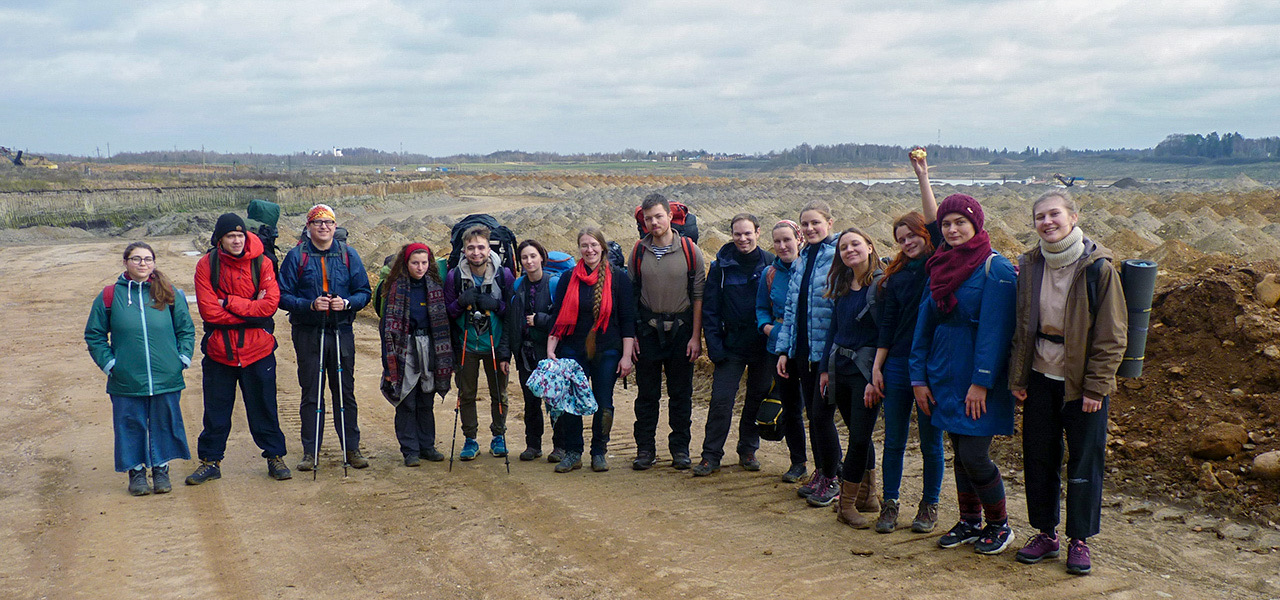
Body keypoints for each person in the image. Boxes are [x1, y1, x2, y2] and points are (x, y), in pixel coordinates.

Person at [1008, 189, 1127, 576]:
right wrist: (1019, 375)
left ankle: (1080, 540)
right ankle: (1045, 533)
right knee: (1039, 457)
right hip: (1041, 377)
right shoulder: (1030, 264)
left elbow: (1112, 334)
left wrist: (1096, 387)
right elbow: (1023, 325)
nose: (1047, 222)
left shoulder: (1098, 267)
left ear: (1073, 218)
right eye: (1039, 217)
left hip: (1082, 385)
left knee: (1084, 461)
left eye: (1054, 214)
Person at [910, 193, 1018, 555]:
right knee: (959, 452)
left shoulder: (995, 268)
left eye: (960, 222)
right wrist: (919, 378)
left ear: (976, 224)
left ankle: (999, 525)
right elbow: (924, 325)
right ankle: (970, 521)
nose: (953, 229)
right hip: (944, 373)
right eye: (946, 224)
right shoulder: (940, 265)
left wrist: (981, 383)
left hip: (976, 379)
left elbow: (996, 332)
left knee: (974, 455)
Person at [867, 150, 945, 533]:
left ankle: (929, 505)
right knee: (895, 439)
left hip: (932, 364)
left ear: (925, 234)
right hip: (898, 364)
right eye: (901, 239)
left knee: (932, 441)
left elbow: (935, 217)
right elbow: (888, 325)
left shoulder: (939, 265)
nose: (907, 242)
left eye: (912, 235)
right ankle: (891, 503)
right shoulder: (894, 277)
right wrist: (877, 367)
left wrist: (922, 176)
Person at [187, 213, 291, 485]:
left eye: (240, 235)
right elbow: (209, 313)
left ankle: (275, 457)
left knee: (264, 407)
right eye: (230, 236)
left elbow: (268, 308)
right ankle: (210, 461)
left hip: (258, 350)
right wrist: (250, 311)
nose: (236, 240)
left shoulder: (263, 262)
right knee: (215, 409)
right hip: (220, 351)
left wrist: (228, 302)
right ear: (219, 239)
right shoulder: (206, 265)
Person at [85, 242, 194, 496]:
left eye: (147, 259)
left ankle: (160, 469)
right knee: (129, 423)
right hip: (127, 378)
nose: (142, 263)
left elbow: (186, 329)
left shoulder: (168, 292)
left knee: (164, 422)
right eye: (136, 259)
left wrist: (183, 359)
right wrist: (111, 365)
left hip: (166, 375)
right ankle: (136, 474)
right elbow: (95, 334)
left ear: (154, 263)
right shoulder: (110, 296)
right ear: (126, 262)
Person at [279, 204, 373, 471]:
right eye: (317, 222)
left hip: (341, 331)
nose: (323, 227)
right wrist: (308, 305)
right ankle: (310, 452)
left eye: (328, 222)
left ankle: (352, 449)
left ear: (335, 226)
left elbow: (364, 292)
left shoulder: (348, 255)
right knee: (311, 392)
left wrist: (346, 303)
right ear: (308, 227)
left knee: (345, 392)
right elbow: (282, 296)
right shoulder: (296, 256)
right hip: (308, 333)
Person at [547, 228, 637, 472]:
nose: (589, 250)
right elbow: (558, 317)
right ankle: (573, 452)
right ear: (579, 248)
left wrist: (627, 356)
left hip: (608, 350)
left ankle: (599, 451)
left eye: (594, 245)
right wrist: (551, 350)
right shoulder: (568, 278)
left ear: (602, 247)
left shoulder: (618, 279)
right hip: (572, 350)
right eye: (584, 245)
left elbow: (628, 320)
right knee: (571, 402)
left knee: (603, 402)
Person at [628, 193, 706, 470]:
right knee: (647, 395)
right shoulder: (638, 251)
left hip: (682, 333)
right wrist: (632, 338)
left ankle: (680, 449)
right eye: (648, 218)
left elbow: (698, 296)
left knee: (680, 395)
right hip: (648, 333)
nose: (654, 222)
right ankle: (645, 449)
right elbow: (632, 295)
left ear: (670, 217)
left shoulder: (689, 250)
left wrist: (696, 337)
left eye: (658, 216)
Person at [694, 214, 775, 476]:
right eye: (738, 234)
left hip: (763, 347)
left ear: (758, 233)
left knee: (756, 398)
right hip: (730, 346)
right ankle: (711, 455)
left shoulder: (771, 264)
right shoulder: (720, 267)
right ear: (731, 234)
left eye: (748, 233)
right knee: (721, 401)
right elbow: (710, 310)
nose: (743, 238)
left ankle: (748, 449)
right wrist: (715, 348)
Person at [813, 228, 884, 518]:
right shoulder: (843, 283)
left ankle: (846, 504)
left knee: (858, 438)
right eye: (844, 247)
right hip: (838, 368)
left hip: (865, 372)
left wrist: (875, 377)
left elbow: (885, 335)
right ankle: (868, 497)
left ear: (869, 247)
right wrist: (824, 371)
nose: (849, 250)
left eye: (856, 244)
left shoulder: (881, 286)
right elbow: (835, 329)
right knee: (859, 435)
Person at [774, 201, 839, 501]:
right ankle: (823, 472)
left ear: (829, 222)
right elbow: (791, 310)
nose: (811, 228)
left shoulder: (837, 257)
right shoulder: (802, 260)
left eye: (816, 223)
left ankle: (834, 477)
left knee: (822, 418)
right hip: (802, 352)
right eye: (806, 224)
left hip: (824, 355)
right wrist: (784, 350)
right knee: (814, 418)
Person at [378, 243, 454, 466]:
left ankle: (427, 447)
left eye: (424, 262)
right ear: (406, 263)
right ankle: (410, 450)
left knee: (426, 399)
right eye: (415, 263)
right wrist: (387, 364)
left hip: (430, 346)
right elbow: (387, 328)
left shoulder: (435, 286)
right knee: (406, 399)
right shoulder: (395, 289)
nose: (420, 267)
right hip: (405, 347)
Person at [444, 225, 515, 461]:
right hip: (466, 346)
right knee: (466, 394)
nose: (476, 252)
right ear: (463, 250)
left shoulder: (503, 275)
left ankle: (498, 436)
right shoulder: (455, 276)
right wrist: (461, 303)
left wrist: (496, 306)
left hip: (494, 345)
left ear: (489, 248)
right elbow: (447, 313)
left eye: (481, 247)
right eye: (471, 248)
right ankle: (470, 439)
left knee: (499, 394)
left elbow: (513, 313)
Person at [756, 220, 809, 483]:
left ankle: (829, 466)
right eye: (777, 241)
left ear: (799, 239)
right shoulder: (770, 273)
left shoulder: (811, 269)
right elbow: (761, 309)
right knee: (790, 407)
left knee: (818, 409)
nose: (782, 246)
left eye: (787, 240)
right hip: (779, 349)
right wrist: (768, 330)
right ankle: (798, 461)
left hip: (808, 348)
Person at [506, 239, 559, 461]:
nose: (529, 261)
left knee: (555, 402)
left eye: (533, 256)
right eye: (524, 258)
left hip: (549, 353)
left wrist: (541, 320)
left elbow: (563, 319)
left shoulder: (554, 284)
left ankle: (560, 447)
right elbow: (511, 321)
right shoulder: (518, 286)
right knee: (530, 402)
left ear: (541, 258)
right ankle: (533, 445)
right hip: (526, 354)